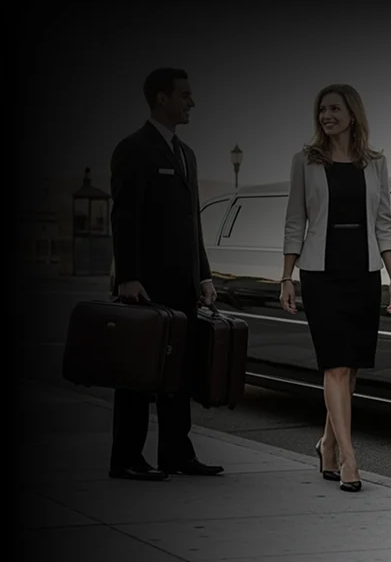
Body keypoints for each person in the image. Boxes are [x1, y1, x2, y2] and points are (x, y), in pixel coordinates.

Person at [278, 83, 391, 493]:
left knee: (351, 371)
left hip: (364, 272)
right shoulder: (305, 161)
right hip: (321, 273)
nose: (326, 116)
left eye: (334, 108)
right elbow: (295, 220)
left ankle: (328, 444)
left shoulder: (376, 162)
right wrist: (287, 276)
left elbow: (383, 221)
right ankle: (350, 459)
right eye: (321, 110)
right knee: (334, 364)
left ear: (352, 113)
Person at [106, 67, 223, 481]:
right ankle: (126, 459)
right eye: (185, 95)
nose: (192, 102)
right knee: (139, 373)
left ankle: (176, 453)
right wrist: (129, 276)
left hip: (184, 286)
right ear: (161, 98)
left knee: (179, 373)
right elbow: (124, 217)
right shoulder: (133, 148)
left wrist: (204, 276)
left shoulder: (186, 154)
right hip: (145, 288)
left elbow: (193, 225)